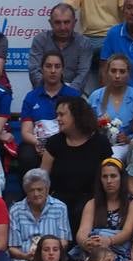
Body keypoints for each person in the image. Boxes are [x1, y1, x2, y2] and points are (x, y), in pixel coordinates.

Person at [42, 95, 113, 233]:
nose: (58, 119)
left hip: (91, 196)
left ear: (76, 115)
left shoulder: (100, 142)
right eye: (57, 115)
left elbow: (109, 174)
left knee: (82, 209)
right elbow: (43, 177)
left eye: (62, 115)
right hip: (60, 196)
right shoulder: (54, 142)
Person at [18, 51, 80, 175]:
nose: (53, 70)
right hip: (37, 143)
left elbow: (77, 129)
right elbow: (26, 132)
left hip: (65, 142)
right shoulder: (31, 97)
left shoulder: (73, 96)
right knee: (26, 156)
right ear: (41, 69)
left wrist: (53, 146)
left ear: (63, 69)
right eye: (48, 66)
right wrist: (40, 144)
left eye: (57, 66)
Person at [7, 168, 72, 261]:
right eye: (32, 190)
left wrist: (47, 253)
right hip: (25, 260)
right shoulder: (15, 210)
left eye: (39, 189)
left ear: (47, 189)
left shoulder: (60, 207)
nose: (36, 194)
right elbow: (13, 248)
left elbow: (64, 241)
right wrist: (26, 256)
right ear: (26, 191)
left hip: (53, 258)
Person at [78, 157, 133, 261]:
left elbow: (128, 232)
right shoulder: (92, 203)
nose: (109, 181)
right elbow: (83, 231)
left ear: (121, 178)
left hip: (121, 252)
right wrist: (85, 242)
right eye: (105, 176)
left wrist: (109, 241)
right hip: (94, 250)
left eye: (113, 176)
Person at [27, 3, 95, 95]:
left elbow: (82, 74)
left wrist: (67, 93)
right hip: (44, 91)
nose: (62, 27)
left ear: (74, 22)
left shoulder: (84, 43)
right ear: (50, 23)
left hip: (73, 93)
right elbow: (34, 71)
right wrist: (49, 91)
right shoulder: (40, 40)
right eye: (58, 22)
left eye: (67, 22)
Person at [89, 53, 133, 160]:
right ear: (106, 73)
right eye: (113, 71)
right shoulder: (95, 96)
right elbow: (86, 126)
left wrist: (129, 138)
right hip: (99, 144)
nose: (117, 76)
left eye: (122, 71)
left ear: (129, 74)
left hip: (126, 146)